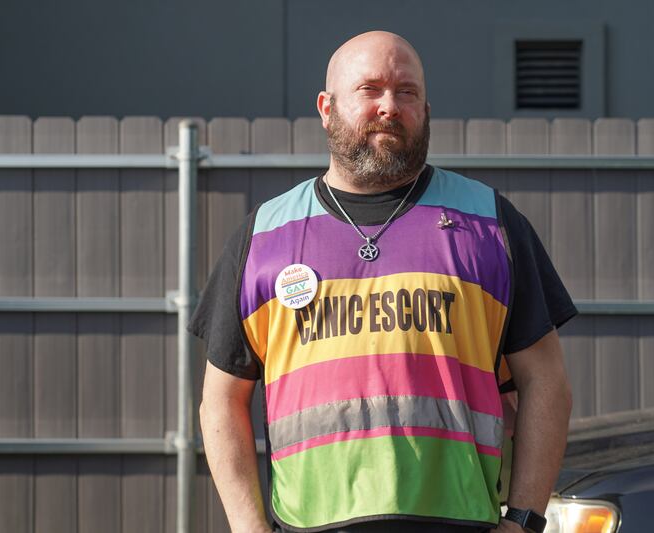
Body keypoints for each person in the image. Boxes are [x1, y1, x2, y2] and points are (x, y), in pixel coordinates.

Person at [191, 31, 575, 533]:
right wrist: (249, 527)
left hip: (458, 523)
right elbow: (220, 400)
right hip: (309, 524)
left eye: (406, 92)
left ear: (427, 109)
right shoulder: (266, 235)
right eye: (369, 89)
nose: (390, 106)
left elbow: (546, 382)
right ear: (326, 108)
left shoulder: (488, 222)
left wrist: (524, 519)